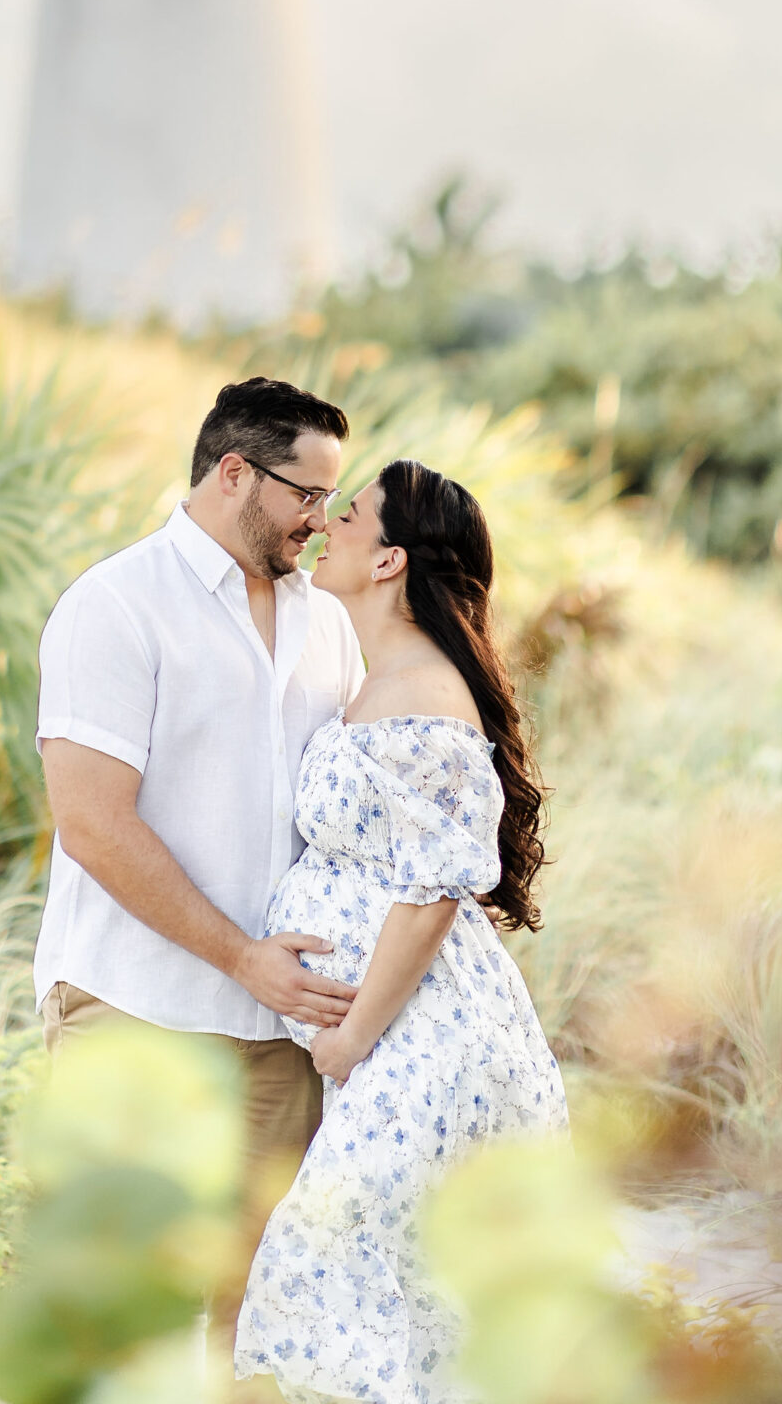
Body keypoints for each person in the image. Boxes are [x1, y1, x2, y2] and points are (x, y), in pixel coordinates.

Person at [34, 375, 367, 1372]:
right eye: (306, 494)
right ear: (234, 473)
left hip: (281, 1034)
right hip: (135, 1010)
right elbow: (92, 823)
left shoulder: (330, 621)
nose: (321, 519)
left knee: (262, 1321)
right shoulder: (115, 604)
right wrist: (240, 956)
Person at [235, 459, 567, 1404]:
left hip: (419, 1044)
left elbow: (430, 896)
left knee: (328, 1275)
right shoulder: (383, 678)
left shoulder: (422, 692)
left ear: (387, 562)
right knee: (399, 1308)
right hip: (393, 1042)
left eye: (347, 514)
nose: (324, 524)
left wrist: (348, 1037)